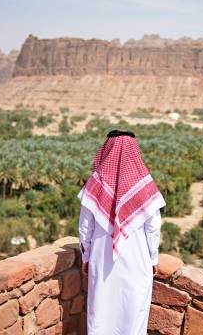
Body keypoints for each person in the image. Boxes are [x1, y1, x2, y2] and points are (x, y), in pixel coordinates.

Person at [78, 129, 165, 335]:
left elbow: (85, 227)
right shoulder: (145, 187)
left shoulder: (95, 185)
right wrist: (153, 259)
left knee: (100, 312)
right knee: (133, 314)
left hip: (101, 259)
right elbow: (153, 229)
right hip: (138, 262)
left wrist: (86, 256)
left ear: (107, 150)